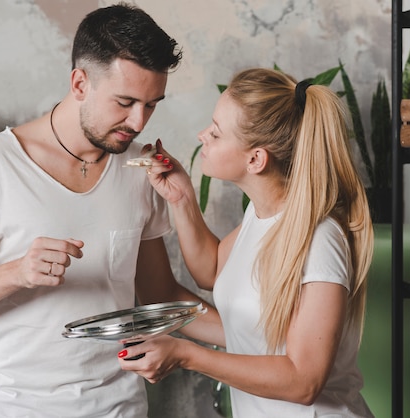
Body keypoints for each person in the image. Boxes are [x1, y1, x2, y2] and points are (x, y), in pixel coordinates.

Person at [0, 3, 222, 417]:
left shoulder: (140, 172)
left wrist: (262, 338)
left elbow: (160, 294)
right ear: (80, 83)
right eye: (125, 101)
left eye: (151, 104)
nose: (138, 122)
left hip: (120, 407)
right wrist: (16, 272)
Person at [118, 68, 375, 417]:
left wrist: (187, 354)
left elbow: (304, 381)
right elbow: (212, 272)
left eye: (216, 132)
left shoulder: (319, 239)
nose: (202, 135)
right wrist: (181, 199)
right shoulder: (261, 215)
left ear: (255, 159)